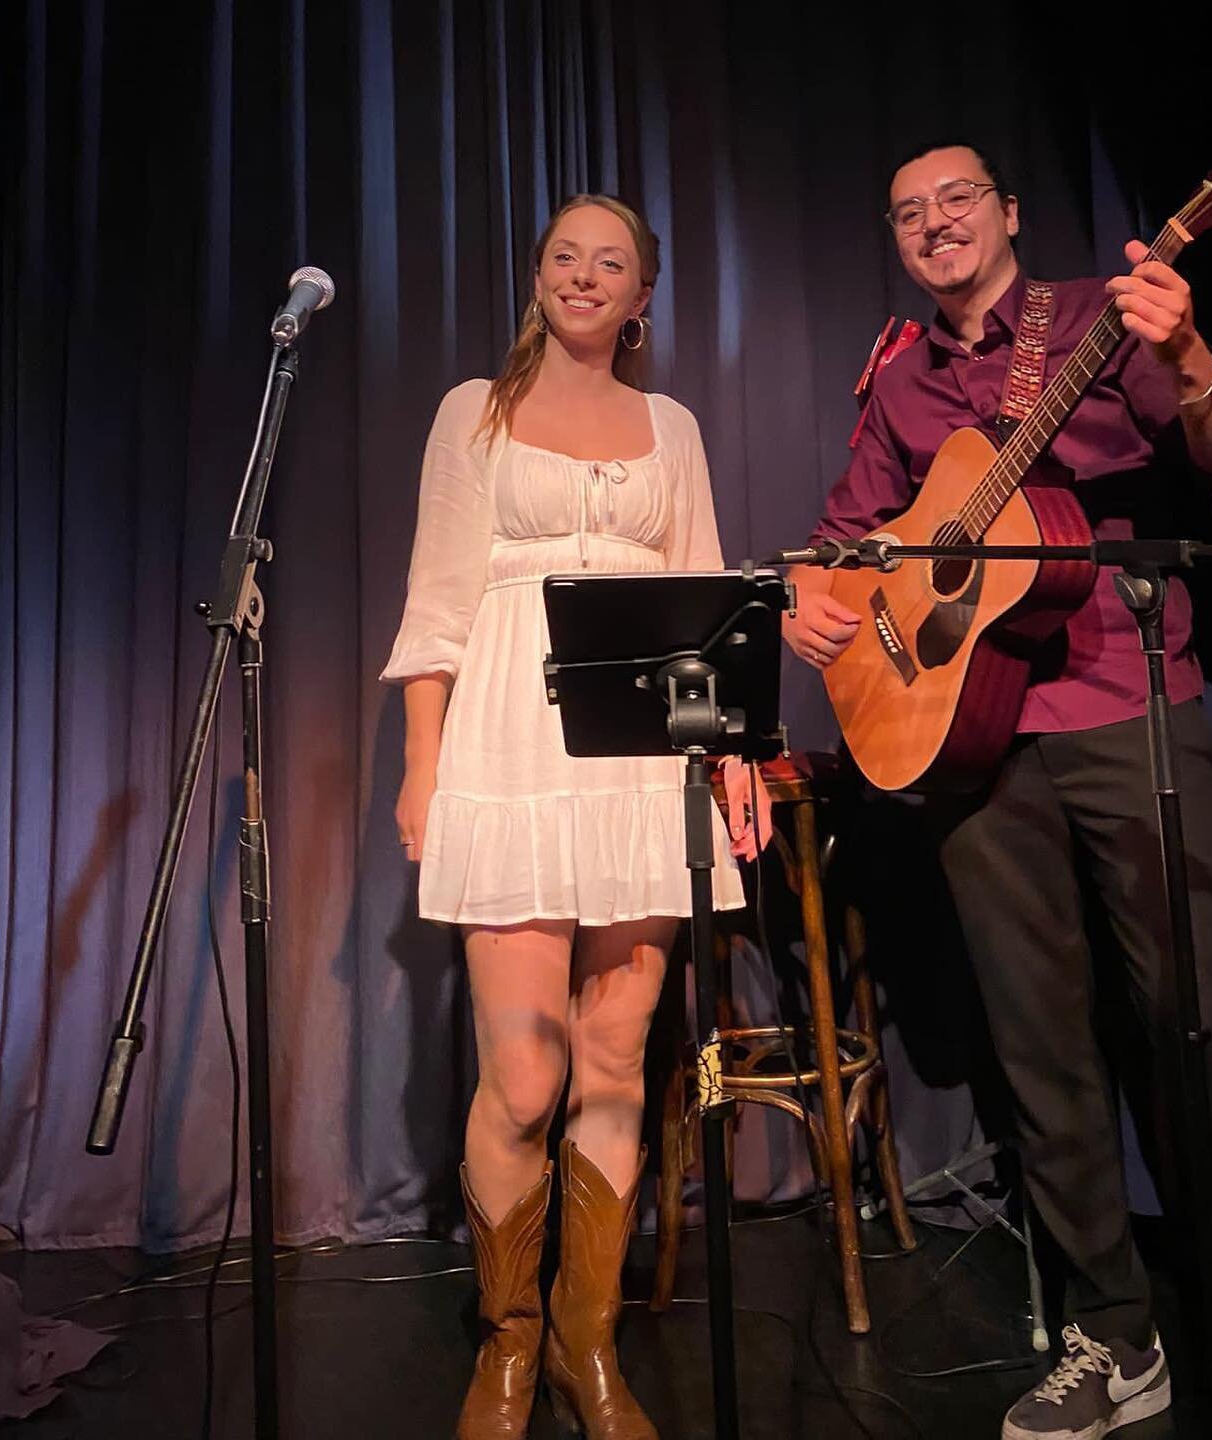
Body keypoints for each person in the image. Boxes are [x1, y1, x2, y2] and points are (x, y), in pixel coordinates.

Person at [784, 143, 1212, 1440]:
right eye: (906, 215)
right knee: (1040, 1053)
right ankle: (1115, 1341)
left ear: (1005, 214)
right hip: (971, 747)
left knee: (1197, 1031)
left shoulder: (1099, 323)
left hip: (1127, 711)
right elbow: (841, 543)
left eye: (956, 202)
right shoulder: (899, 383)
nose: (934, 225)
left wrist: (1193, 357)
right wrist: (814, 592)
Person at [382, 194, 745, 1440]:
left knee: (615, 1052)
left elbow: (704, 596)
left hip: (645, 755)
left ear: (644, 296)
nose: (584, 276)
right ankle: (509, 1341)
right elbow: (437, 606)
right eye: (563, 257)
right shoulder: (471, 415)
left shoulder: (674, 428)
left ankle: (589, 1346)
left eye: (612, 263)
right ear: (537, 278)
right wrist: (422, 764)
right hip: (508, 746)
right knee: (526, 1077)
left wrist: (726, 751)